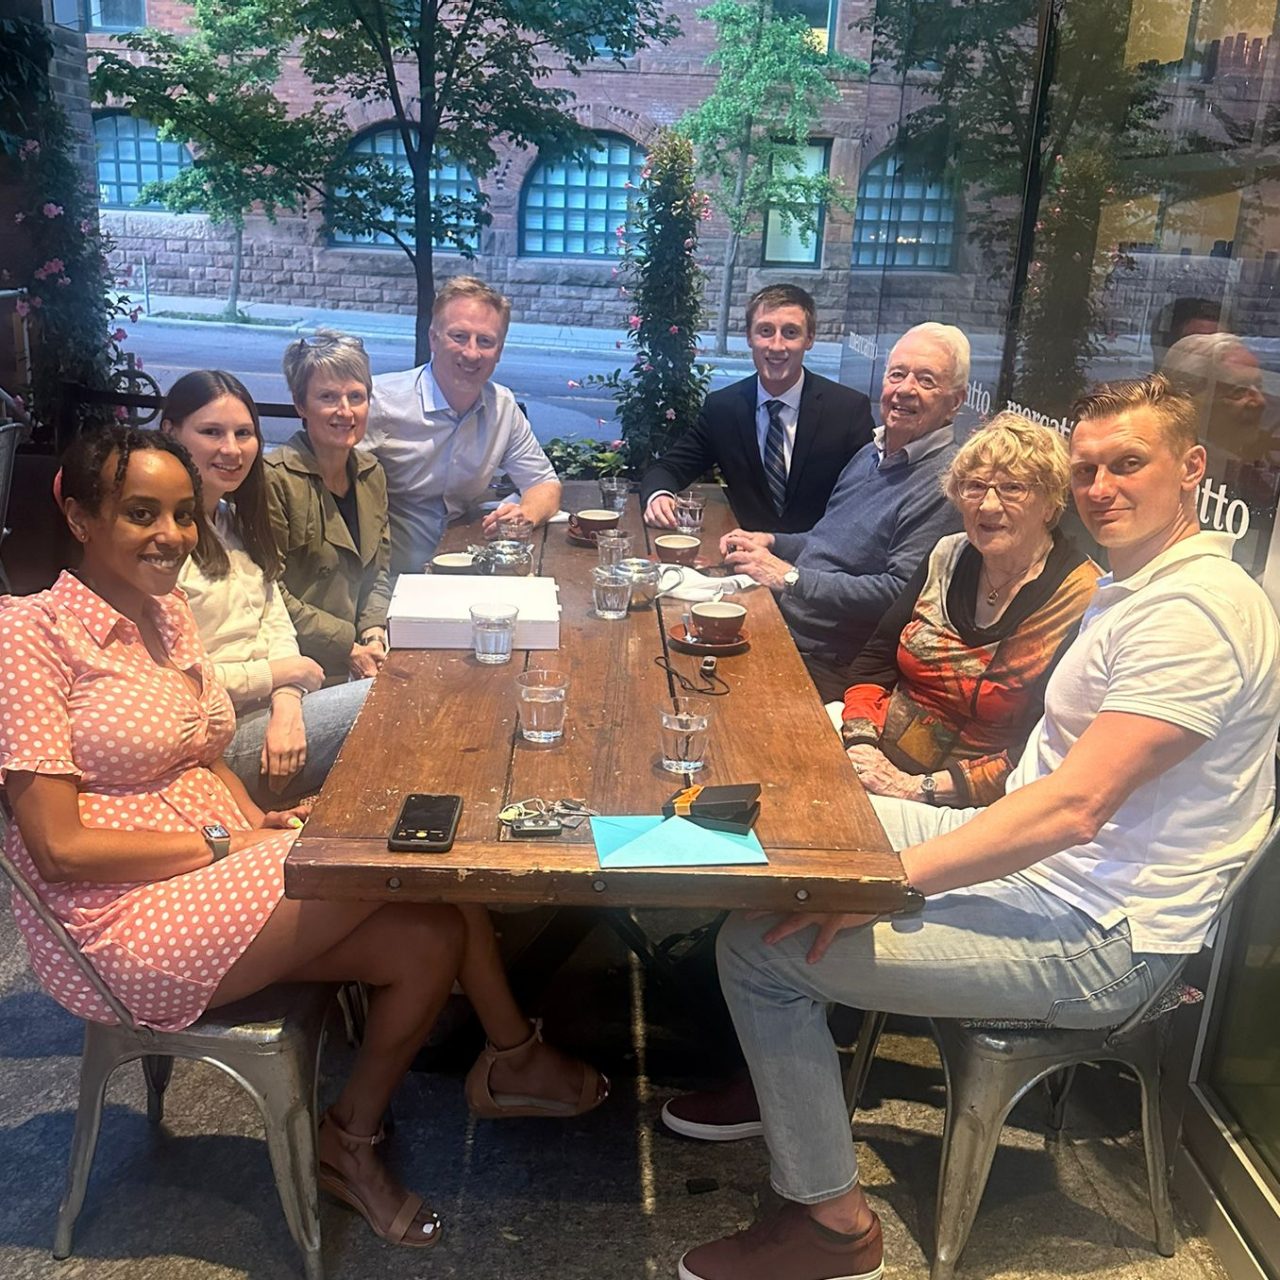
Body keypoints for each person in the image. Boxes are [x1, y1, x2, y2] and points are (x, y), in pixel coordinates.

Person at [676, 374, 1280, 1280]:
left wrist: (894, 879)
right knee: (791, 819)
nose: (1102, 487)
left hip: (1104, 936)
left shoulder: (1194, 614)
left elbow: (1075, 809)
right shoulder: (1142, 584)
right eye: (1088, 469)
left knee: (758, 951)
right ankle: (783, 1084)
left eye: (1129, 465)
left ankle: (833, 1227)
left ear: (1191, 468)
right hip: (1037, 870)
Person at [0, 426, 606, 1252]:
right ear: (76, 513)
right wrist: (227, 846)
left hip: (210, 863)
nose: (171, 536)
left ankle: (349, 1138)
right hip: (115, 922)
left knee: (426, 931)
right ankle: (511, 1060)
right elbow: (57, 851)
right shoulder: (29, 635)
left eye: (182, 515)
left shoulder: (167, 615)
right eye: (141, 513)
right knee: (405, 849)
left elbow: (204, 753)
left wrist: (257, 823)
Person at [840, 412, 1101, 808]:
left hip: (974, 804)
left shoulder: (1082, 597)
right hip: (876, 756)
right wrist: (861, 744)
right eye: (974, 487)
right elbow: (874, 662)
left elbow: (1043, 749)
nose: (989, 505)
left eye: (1013, 488)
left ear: (1050, 504)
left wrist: (915, 789)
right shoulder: (948, 552)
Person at [720, 322, 969, 701]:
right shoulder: (871, 452)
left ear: (956, 401)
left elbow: (898, 594)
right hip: (786, 625)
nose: (905, 390)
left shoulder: (945, 482)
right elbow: (826, 542)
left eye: (926, 380)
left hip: (830, 663)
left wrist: (789, 578)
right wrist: (771, 541)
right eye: (897, 375)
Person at [163, 370, 367, 804]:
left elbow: (274, 624)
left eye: (244, 433)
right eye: (211, 432)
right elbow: (166, 681)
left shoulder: (237, 521)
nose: (232, 449)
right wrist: (277, 676)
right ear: (171, 433)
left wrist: (289, 701)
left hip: (276, 717)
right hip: (212, 740)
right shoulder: (161, 545)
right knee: (393, 700)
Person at [362, 276, 563, 573]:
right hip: (388, 575)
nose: (471, 353)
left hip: (464, 564)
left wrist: (525, 514)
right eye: (459, 337)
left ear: (500, 351)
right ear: (433, 338)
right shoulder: (380, 402)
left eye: (485, 341)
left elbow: (544, 483)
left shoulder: (502, 406)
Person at [641, 284, 874, 533]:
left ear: (810, 339)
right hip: (744, 559)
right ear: (749, 337)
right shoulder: (724, 409)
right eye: (765, 331)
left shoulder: (848, 411)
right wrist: (659, 496)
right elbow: (667, 468)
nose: (776, 346)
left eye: (790, 332)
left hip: (821, 561)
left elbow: (871, 495)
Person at [266, 331, 392, 682]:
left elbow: (379, 571)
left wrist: (373, 634)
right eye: (328, 397)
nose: (345, 411)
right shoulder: (273, 479)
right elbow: (269, 594)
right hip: (300, 665)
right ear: (300, 405)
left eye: (356, 396)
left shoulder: (372, 473)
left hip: (365, 652)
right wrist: (349, 647)